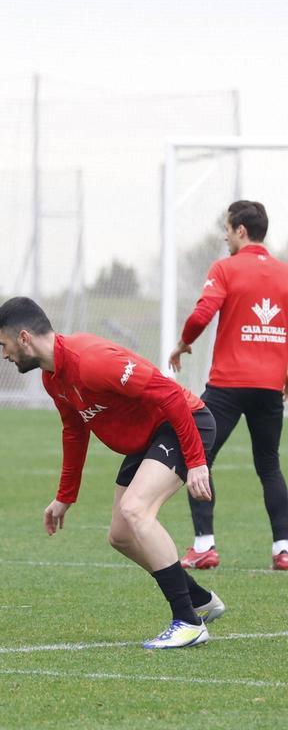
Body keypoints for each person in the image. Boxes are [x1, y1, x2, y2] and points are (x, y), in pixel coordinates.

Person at [0, 297, 225, 649]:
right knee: (121, 535)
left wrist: (196, 461)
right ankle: (199, 600)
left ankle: (188, 621)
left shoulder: (91, 361)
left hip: (182, 422)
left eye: (3, 344)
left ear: (24, 337)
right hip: (148, 437)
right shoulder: (52, 378)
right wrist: (64, 497)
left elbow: (169, 394)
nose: (3, 354)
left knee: (135, 510)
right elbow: (74, 431)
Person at [169, 200, 288, 571]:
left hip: (228, 385)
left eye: (227, 228)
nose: (224, 236)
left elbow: (202, 314)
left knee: (198, 456)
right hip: (270, 385)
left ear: (241, 230)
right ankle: (283, 550)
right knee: (269, 465)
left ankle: (204, 546)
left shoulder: (225, 268)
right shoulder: (285, 273)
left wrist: (183, 343)